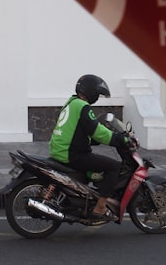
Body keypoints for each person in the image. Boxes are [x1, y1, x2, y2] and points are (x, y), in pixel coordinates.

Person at [49, 74, 131, 218]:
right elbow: (96, 130)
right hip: (72, 154)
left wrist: (93, 140)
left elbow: (77, 129)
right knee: (114, 167)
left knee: (95, 165)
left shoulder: (71, 103)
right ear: (91, 92)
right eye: (97, 94)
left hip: (61, 150)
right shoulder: (82, 106)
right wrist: (118, 138)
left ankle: (85, 200)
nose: (98, 97)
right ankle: (100, 207)